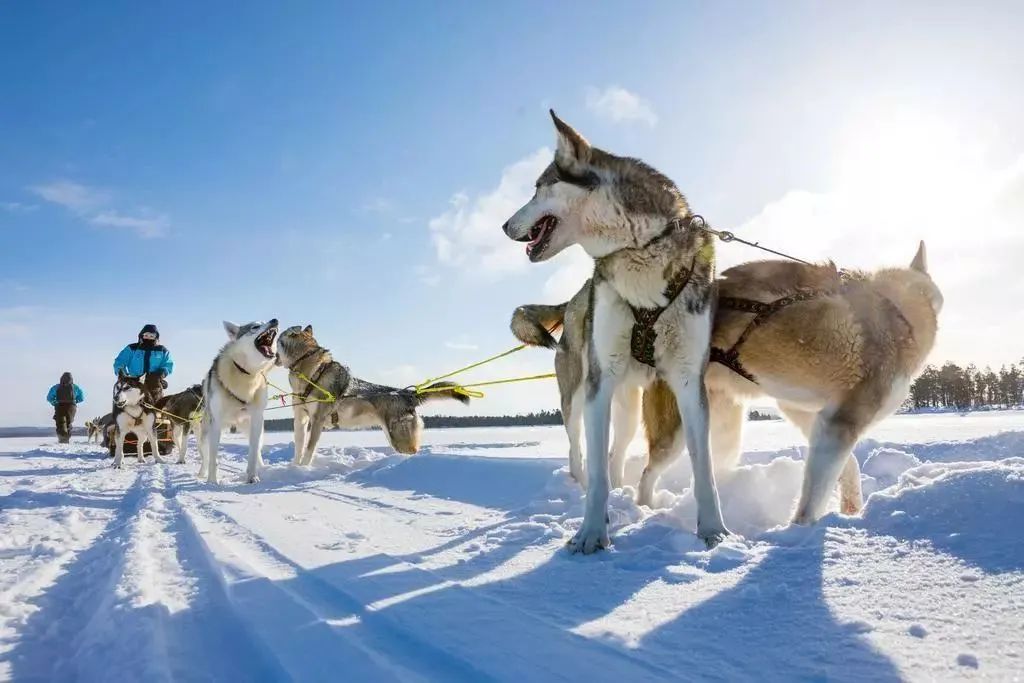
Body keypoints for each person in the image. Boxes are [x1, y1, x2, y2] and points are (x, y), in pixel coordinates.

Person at [113, 324, 174, 400]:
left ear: (156, 337)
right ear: (141, 335)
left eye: (152, 336)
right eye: (146, 335)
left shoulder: (162, 350)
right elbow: (119, 362)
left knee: (156, 404)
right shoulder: (132, 349)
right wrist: (123, 375)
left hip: (154, 381)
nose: (148, 338)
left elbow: (168, 364)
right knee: (126, 400)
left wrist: (161, 374)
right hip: (134, 382)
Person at [46, 372, 85, 443]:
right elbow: (82, 398)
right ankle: (66, 439)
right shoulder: (75, 387)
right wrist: (76, 401)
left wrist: (54, 403)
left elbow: (49, 398)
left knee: (60, 422)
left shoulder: (56, 387)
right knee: (68, 423)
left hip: (60, 406)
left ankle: (62, 439)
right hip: (71, 407)